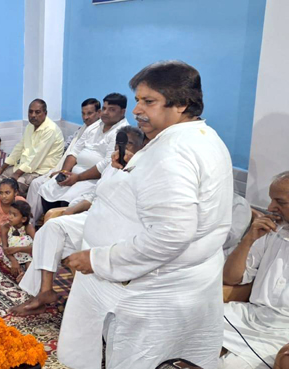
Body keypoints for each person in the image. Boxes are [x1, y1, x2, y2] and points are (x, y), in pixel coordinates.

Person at [58, 61, 232, 369]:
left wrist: (97, 260)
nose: (137, 109)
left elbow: (171, 234)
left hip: (156, 290)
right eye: (137, 99)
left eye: (148, 101)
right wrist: (129, 168)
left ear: (181, 104)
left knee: (142, 361)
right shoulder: (200, 137)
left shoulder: (173, 152)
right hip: (176, 284)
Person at [220, 172, 289, 369]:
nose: (270, 208)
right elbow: (230, 277)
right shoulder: (272, 232)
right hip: (246, 315)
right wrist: (249, 239)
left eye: (280, 202)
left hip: (280, 333)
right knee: (184, 325)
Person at [30, 93, 130, 223]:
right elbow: (74, 151)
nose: (105, 113)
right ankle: (46, 225)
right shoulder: (95, 126)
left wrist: (78, 177)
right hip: (74, 174)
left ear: (123, 111)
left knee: (68, 200)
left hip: (92, 179)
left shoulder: (122, 132)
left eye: (111, 110)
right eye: (104, 108)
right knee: (48, 187)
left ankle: (59, 232)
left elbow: (106, 164)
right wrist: (64, 172)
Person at [25, 98, 102, 220]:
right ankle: (29, 223)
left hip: (82, 175)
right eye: (83, 113)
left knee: (47, 187)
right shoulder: (83, 128)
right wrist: (63, 171)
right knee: (36, 184)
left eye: (89, 113)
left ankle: (37, 222)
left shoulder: (100, 131)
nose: (85, 117)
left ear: (99, 113)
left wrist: (67, 173)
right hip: (64, 166)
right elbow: (71, 151)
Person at [0, 99, 64, 197]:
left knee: (12, 186)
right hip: (26, 167)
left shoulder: (50, 130)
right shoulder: (30, 126)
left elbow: (36, 157)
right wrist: (3, 167)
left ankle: (13, 211)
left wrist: (17, 174)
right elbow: (19, 147)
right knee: (0, 177)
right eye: (30, 111)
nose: (33, 115)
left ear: (45, 113)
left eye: (37, 112)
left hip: (41, 171)